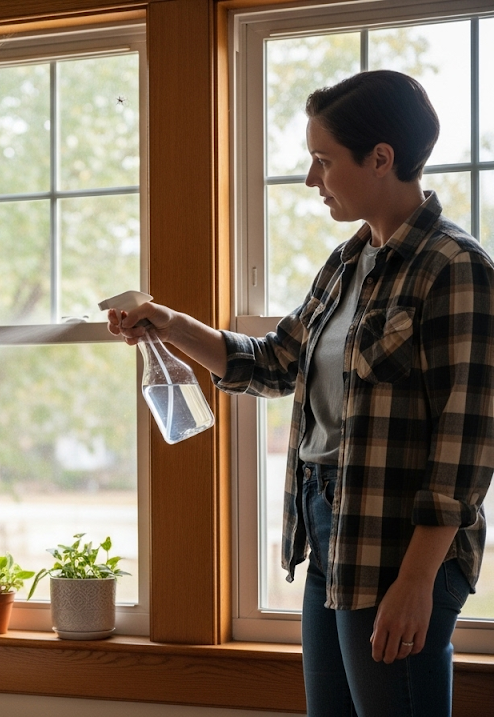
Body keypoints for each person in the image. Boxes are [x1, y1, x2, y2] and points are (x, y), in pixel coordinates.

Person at [109, 70, 494, 716]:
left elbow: (469, 441)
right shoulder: (346, 265)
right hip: (329, 531)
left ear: (380, 159)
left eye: (323, 161)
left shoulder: (457, 269)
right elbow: (270, 361)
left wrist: (417, 578)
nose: (312, 180)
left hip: (399, 546)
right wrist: (166, 323)